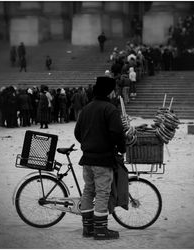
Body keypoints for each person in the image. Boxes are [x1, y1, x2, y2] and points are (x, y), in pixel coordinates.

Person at [74, 76, 126, 240]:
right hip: (103, 160)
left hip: (87, 159)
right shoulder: (110, 109)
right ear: (109, 92)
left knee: (88, 191)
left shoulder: (87, 108)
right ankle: (101, 231)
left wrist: (88, 143)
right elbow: (117, 133)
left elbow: (77, 132)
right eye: (113, 91)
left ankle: (88, 228)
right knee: (103, 193)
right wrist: (121, 148)